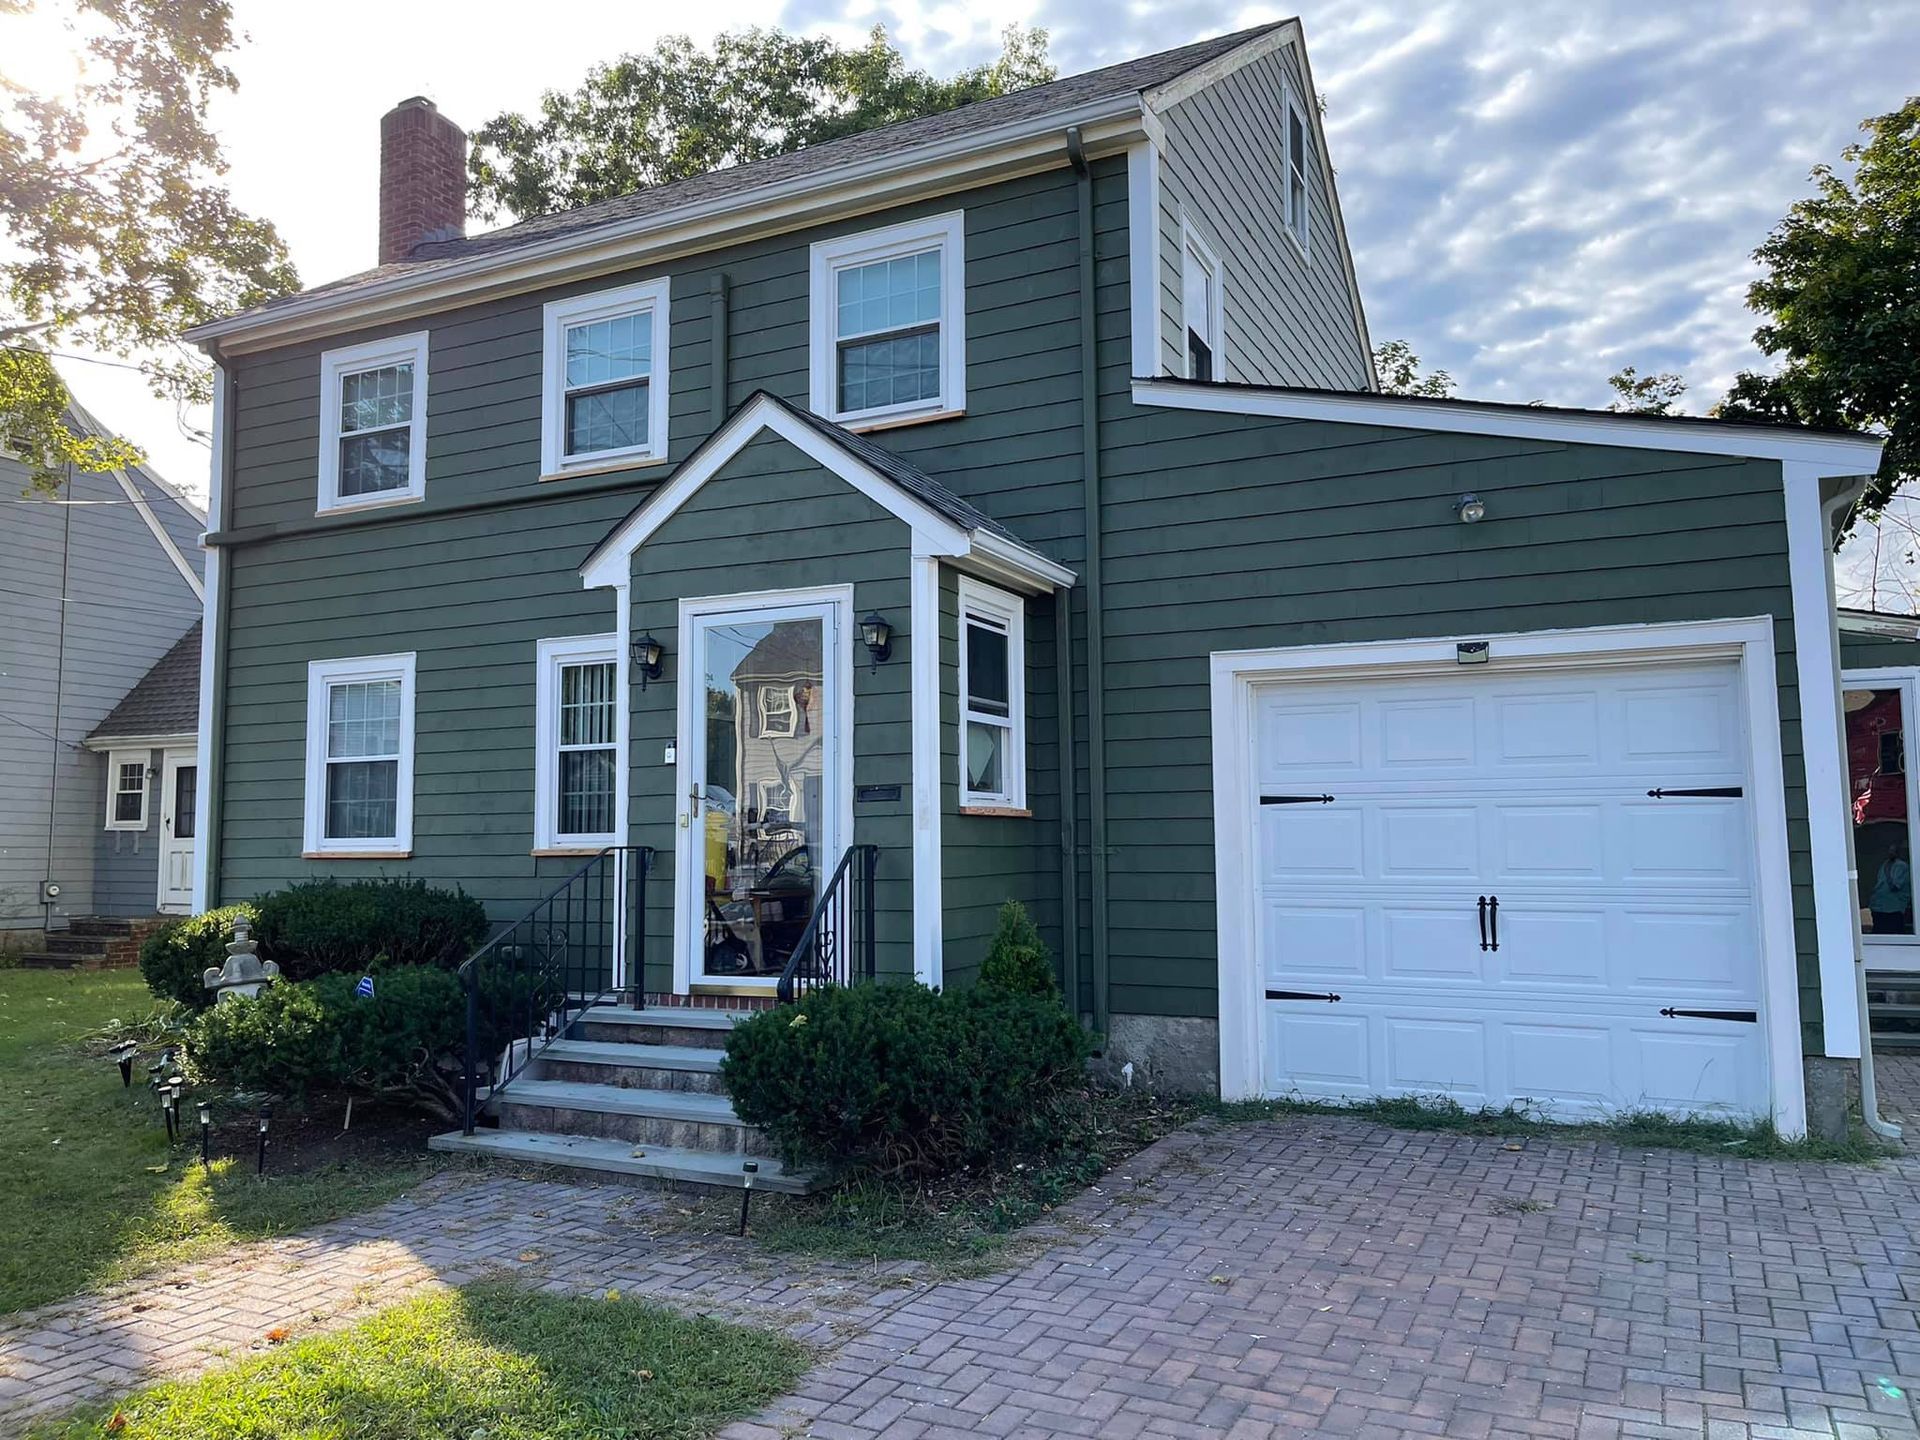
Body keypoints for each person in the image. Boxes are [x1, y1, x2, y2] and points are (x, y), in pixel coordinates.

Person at [1869, 844, 1913, 935]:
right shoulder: (1885, 864)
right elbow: (1880, 882)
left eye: (1893, 850)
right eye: (1889, 850)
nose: (1890, 853)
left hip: (1893, 909)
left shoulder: (1901, 866)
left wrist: (1888, 871)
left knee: (1894, 933)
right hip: (1879, 908)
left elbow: (1895, 886)